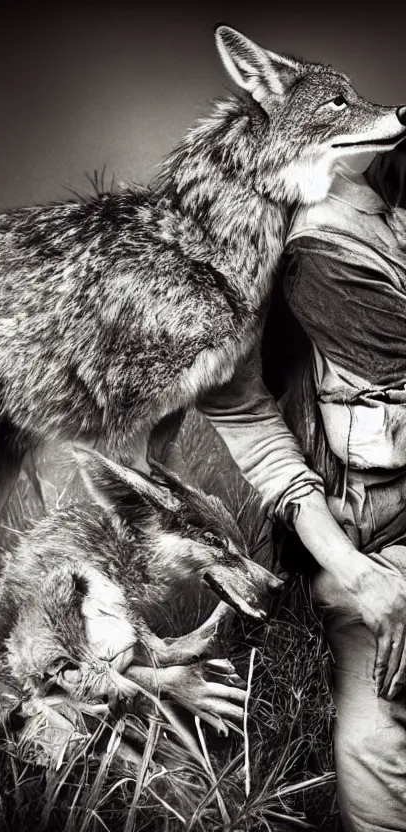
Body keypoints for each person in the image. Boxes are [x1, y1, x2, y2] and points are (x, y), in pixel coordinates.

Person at [189, 142, 406, 831]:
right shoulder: (322, 255)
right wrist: (351, 569)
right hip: (378, 538)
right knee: (378, 729)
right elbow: (240, 407)